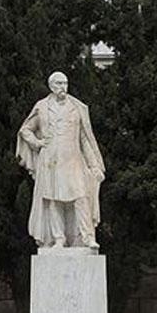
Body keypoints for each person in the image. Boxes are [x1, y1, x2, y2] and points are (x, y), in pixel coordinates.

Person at [16, 71, 105, 249]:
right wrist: (38, 143)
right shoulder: (41, 107)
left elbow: (85, 139)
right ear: (51, 86)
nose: (63, 87)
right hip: (50, 160)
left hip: (73, 160)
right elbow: (25, 129)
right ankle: (59, 238)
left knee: (81, 197)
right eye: (58, 84)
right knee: (53, 199)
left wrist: (94, 165)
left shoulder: (77, 107)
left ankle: (86, 237)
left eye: (65, 83)